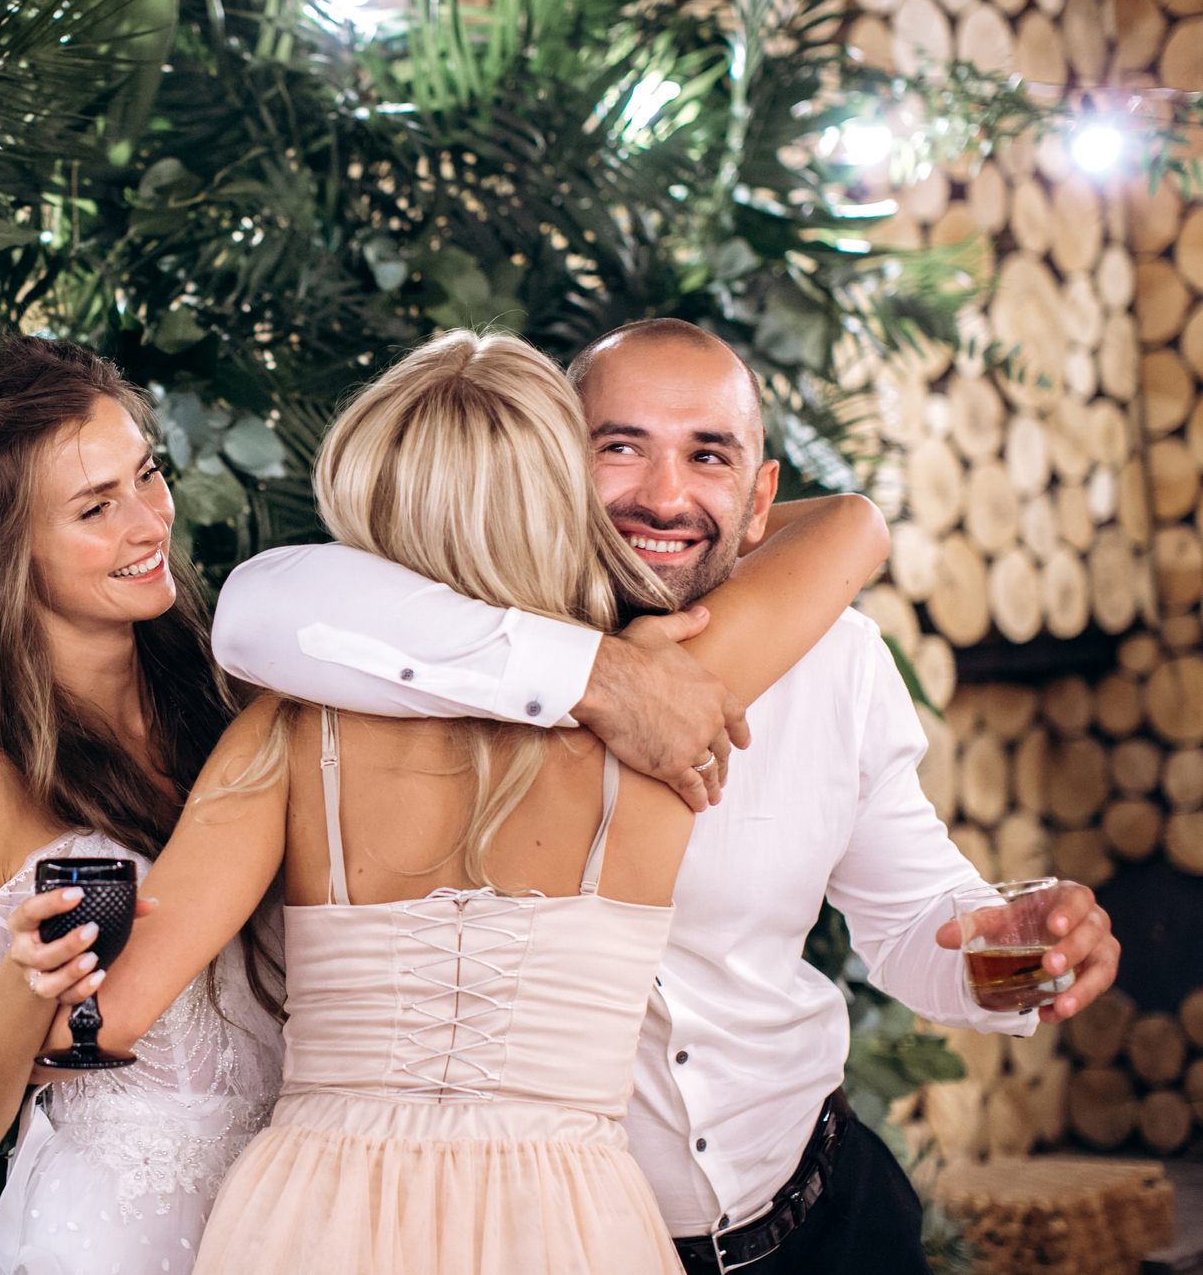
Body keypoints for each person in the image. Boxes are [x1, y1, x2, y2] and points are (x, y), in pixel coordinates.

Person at [207, 319, 1123, 1275]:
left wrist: (1023, 956)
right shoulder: (442, 647)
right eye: (619, 448)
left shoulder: (835, 661)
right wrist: (601, 677)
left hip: (824, 1222)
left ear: (761, 497)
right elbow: (259, 608)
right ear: (553, 465)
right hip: (565, 1247)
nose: (664, 496)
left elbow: (914, 927)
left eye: (708, 455)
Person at [40, 330, 894, 1273]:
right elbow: (846, 534)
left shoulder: (288, 734)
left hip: (315, 1213)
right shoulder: (665, 715)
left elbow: (98, 1024)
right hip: (569, 1218)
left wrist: (26, 974)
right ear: (559, 500)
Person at [0, 337, 284, 1275]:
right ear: (2, 549)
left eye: (146, 477)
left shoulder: (241, 694)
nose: (148, 525)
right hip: (108, 1237)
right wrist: (26, 984)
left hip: (289, 1211)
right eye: (95, 508)